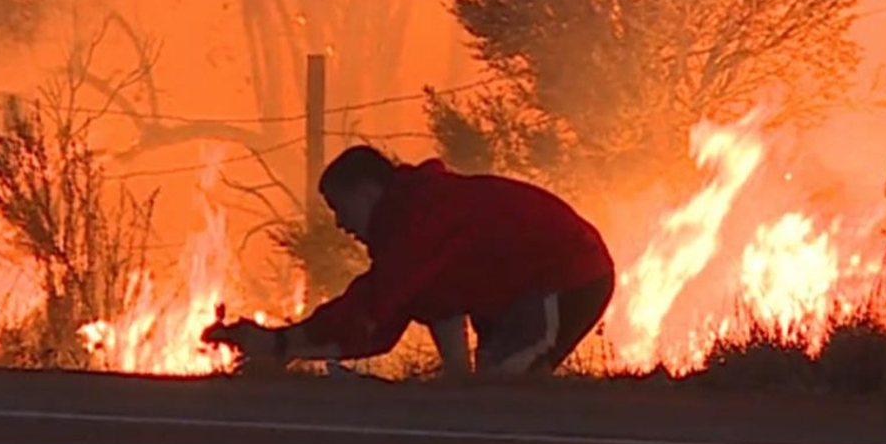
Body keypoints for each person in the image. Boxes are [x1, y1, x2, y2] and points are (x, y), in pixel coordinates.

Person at [202, 145, 615, 376]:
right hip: (519, 288)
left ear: (366, 191)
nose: (341, 224)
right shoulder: (413, 217)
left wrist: (280, 343)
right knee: (480, 393)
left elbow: (375, 306)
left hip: (568, 274)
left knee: (501, 389)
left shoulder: (420, 216)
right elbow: (426, 304)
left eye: (339, 207)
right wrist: (456, 374)